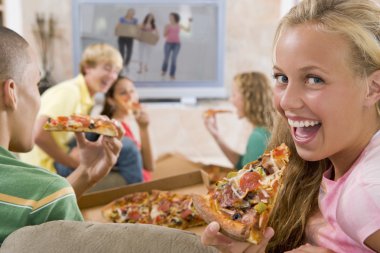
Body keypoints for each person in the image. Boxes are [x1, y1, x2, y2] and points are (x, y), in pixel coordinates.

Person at [201, 0, 380, 252]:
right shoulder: (323, 162)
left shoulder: (365, 192)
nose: (286, 101)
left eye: (314, 79)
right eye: (282, 78)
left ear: (373, 88)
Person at [0, 27, 121, 244]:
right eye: (37, 85)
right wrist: (71, 165)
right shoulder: (70, 91)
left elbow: (30, 214)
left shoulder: (46, 196)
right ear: (10, 92)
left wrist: (85, 173)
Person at [19, 43, 124, 190]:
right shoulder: (71, 92)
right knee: (129, 150)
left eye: (116, 71)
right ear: (87, 67)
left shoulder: (87, 97)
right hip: (45, 166)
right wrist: (72, 162)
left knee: (116, 140)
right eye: (107, 68)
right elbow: (38, 134)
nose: (113, 76)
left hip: (59, 151)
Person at [204, 72, 275, 170]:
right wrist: (216, 135)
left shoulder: (257, 137)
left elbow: (245, 176)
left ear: (248, 98)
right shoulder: (265, 130)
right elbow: (242, 164)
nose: (231, 100)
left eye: (234, 95)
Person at [101, 76, 155, 182]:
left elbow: (148, 167)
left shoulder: (130, 122)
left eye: (132, 91)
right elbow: (149, 166)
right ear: (111, 100)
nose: (130, 96)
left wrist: (143, 127)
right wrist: (143, 129)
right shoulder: (113, 129)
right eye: (123, 93)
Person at [161, 12, 192, 80]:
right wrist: (166, 29)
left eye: (171, 17)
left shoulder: (179, 25)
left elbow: (188, 30)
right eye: (169, 17)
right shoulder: (167, 25)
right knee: (166, 58)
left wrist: (189, 22)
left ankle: (172, 74)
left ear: (175, 17)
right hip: (168, 43)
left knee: (174, 59)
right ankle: (164, 70)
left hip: (177, 44)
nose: (170, 18)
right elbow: (164, 35)